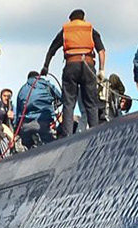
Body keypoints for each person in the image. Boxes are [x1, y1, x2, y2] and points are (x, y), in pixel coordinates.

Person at [42, 9, 107, 137]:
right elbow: (101, 51)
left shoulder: (66, 31)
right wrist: (101, 70)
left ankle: (67, 135)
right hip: (88, 66)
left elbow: (52, 49)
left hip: (71, 66)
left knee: (69, 103)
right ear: (83, 18)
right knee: (91, 103)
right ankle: (95, 133)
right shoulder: (90, 30)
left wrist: (46, 66)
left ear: (71, 19)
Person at [15, 71, 59, 148]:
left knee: (27, 148)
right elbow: (61, 97)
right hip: (43, 124)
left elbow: (18, 113)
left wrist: (17, 131)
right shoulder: (46, 85)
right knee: (52, 147)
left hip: (26, 126)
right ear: (38, 77)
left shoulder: (22, 90)